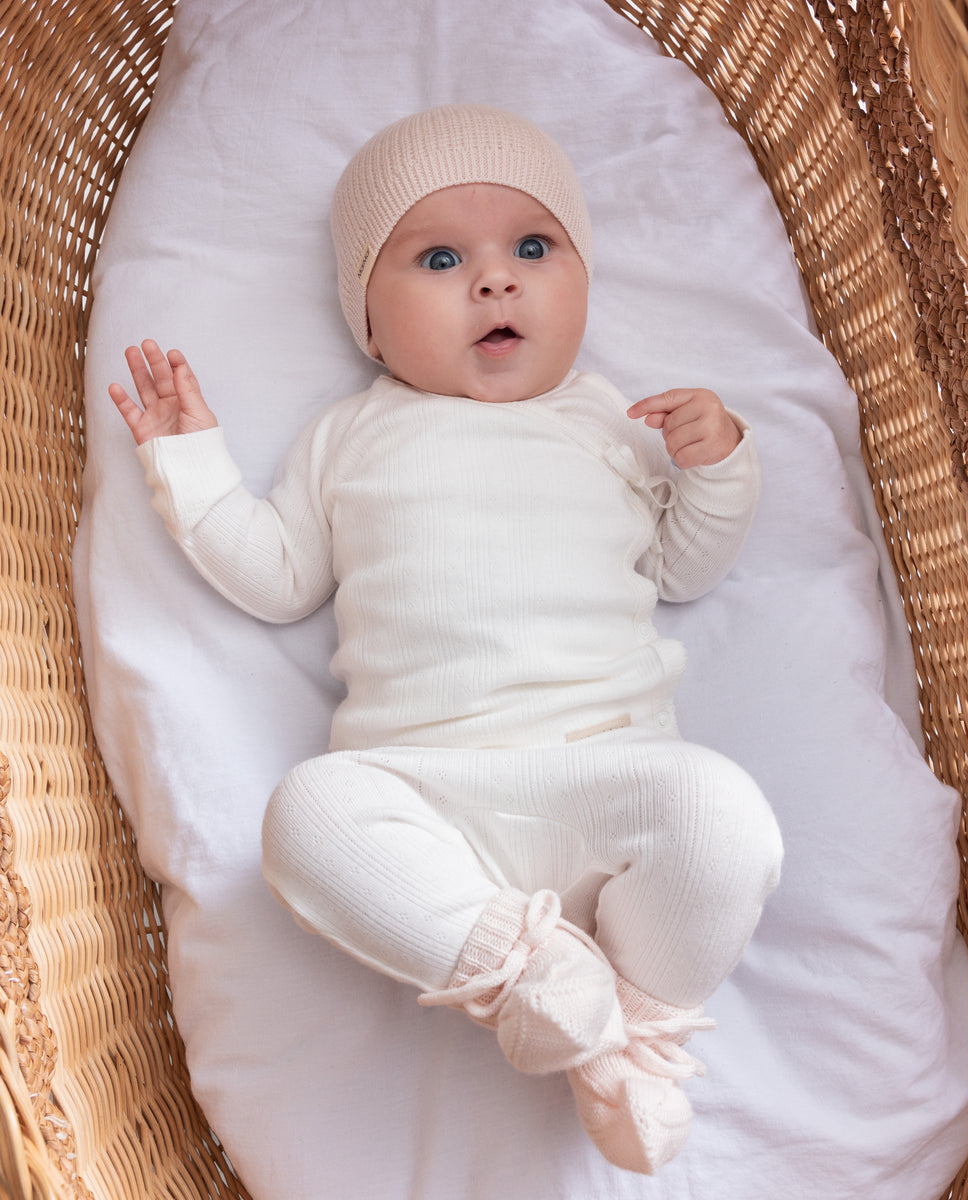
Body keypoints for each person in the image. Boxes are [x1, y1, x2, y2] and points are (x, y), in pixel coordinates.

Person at [109, 104, 783, 1175]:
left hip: (609, 774)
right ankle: (541, 989)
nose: (496, 281)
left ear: (584, 278)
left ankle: (634, 1033)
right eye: (439, 259)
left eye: (533, 247)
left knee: (724, 815)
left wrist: (717, 467)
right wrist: (192, 464)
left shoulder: (610, 423)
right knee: (305, 819)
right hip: (424, 796)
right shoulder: (350, 435)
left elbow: (682, 569)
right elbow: (278, 578)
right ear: (370, 326)